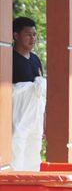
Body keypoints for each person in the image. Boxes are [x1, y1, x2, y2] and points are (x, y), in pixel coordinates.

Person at [11, 16, 46, 171]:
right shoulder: (9, 59)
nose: (32, 38)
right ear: (16, 35)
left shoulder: (35, 60)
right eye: (28, 34)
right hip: (16, 120)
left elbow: (40, 94)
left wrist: (43, 121)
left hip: (35, 120)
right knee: (15, 151)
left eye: (34, 34)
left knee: (33, 154)